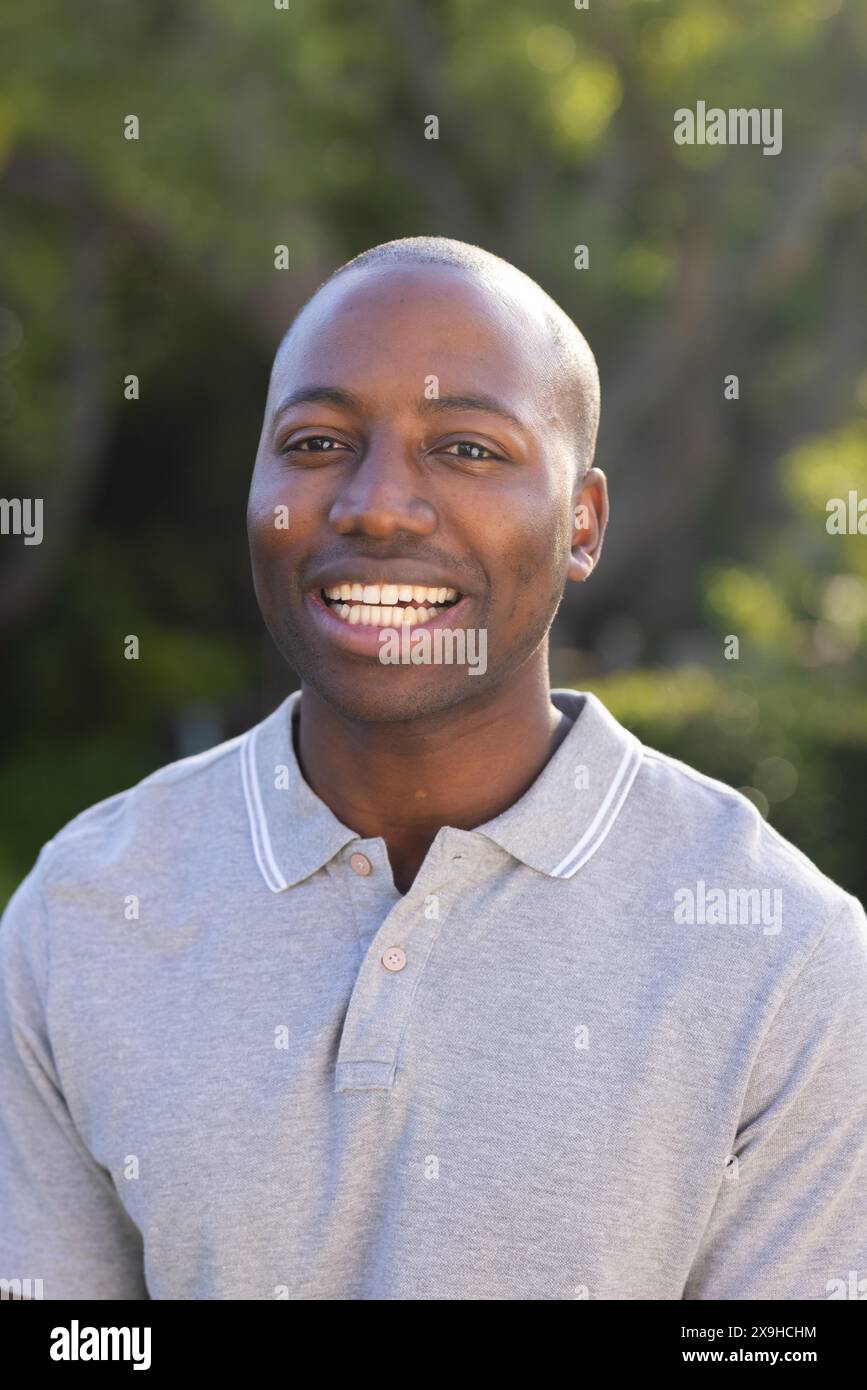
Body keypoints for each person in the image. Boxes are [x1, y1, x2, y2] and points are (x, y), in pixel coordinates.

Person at [1, 237, 865, 1301]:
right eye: (317, 441)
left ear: (582, 524)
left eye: (465, 449)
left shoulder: (785, 957)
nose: (377, 505)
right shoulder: (84, 916)